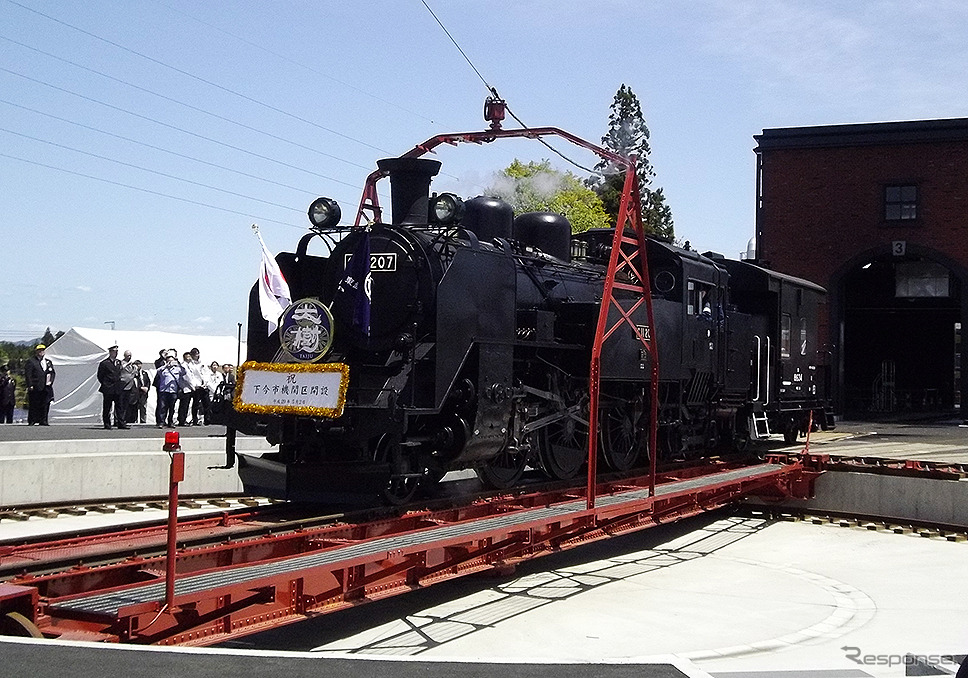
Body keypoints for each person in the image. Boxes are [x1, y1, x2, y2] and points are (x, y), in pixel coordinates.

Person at [96, 345, 129, 429]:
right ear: (110, 352)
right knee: (107, 407)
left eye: (117, 351)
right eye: (114, 351)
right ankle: (107, 423)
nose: (116, 353)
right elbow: (100, 376)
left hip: (117, 388)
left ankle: (121, 423)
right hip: (108, 388)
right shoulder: (104, 363)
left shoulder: (118, 362)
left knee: (119, 407)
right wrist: (105, 384)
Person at [24, 344, 55, 425]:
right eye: (39, 350)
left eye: (42, 350)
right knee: (34, 403)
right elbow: (28, 374)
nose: (41, 352)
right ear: (36, 351)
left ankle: (43, 420)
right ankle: (32, 420)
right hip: (35, 386)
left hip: (46, 386)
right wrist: (30, 384)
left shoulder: (48, 362)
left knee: (45, 404)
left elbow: (52, 373)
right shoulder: (31, 361)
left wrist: (50, 382)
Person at [154, 353, 184, 428]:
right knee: (162, 407)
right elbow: (158, 371)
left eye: (172, 361)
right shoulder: (163, 369)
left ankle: (170, 422)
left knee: (172, 407)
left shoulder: (178, 369)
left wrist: (178, 363)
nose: (171, 363)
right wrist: (166, 365)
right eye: (169, 361)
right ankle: (161, 422)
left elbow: (184, 372)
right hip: (164, 390)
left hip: (173, 390)